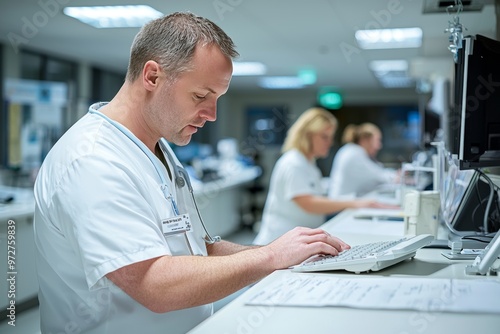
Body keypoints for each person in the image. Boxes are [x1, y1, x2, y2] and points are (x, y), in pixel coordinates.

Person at [33, 13, 350, 334]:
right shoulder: (93, 160)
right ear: (152, 77)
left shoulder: (157, 149)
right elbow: (154, 284)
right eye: (201, 96)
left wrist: (291, 256)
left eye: (217, 99)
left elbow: (199, 249)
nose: (211, 115)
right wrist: (269, 256)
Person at [253, 108, 396, 245]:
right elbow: (309, 203)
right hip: (277, 242)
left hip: (293, 242)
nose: (330, 142)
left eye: (330, 137)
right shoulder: (294, 162)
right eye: (324, 137)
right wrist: (356, 202)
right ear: (307, 135)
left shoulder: (308, 162)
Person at [328, 122, 399, 199]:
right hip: (341, 207)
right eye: (377, 140)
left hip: (344, 203)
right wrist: (397, 177)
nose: (379, 146)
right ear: (365, 140)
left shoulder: (352, 150)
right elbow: (379, 177)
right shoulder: (354, 153)